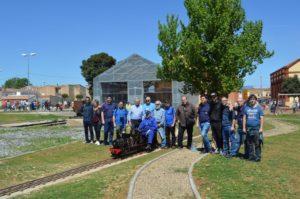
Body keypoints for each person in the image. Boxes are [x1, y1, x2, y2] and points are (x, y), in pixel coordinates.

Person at [243, 94, 264, 162]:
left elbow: (261, 118)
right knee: (250, 143)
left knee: (257, 143)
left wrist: (261, 128)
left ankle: (258, 157)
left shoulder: (259, 108)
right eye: (251, 99)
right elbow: (244, 118)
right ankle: (251, 156)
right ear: (249, 100)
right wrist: (244, 127)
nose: (252, 100)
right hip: (248, 128)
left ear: (255, 100)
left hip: (256, 128)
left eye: (253, 99)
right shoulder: (246, 108)